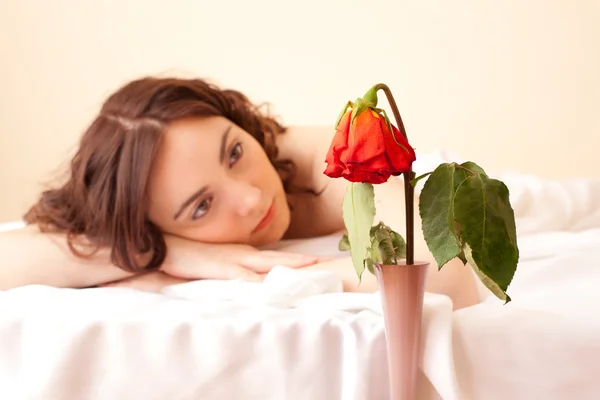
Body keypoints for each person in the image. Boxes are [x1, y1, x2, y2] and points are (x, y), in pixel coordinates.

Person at [0, 77, 479, 309]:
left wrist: (267, 274)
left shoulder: (331, 161)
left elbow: (441, 270)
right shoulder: (148, 231)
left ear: (238, 121)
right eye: (202, 206)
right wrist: (161, 252)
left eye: (233, 153)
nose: (251, 198)